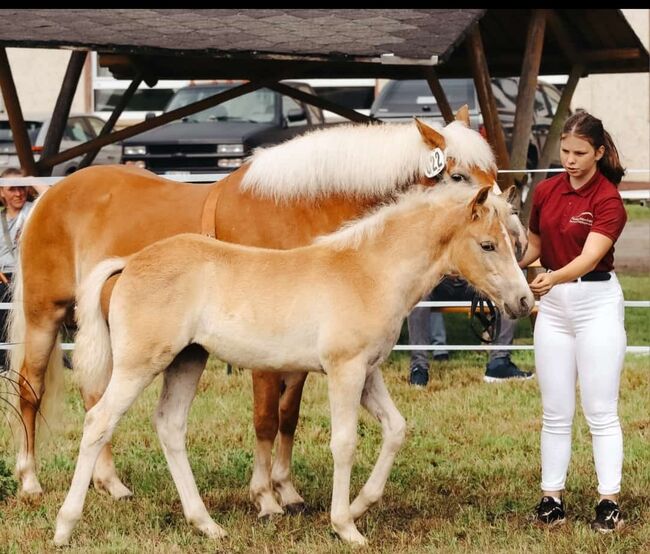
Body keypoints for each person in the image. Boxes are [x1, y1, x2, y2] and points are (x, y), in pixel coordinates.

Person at [518, 112, 627, 532]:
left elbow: (588, 258)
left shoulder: (608, 200)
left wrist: (550, 277)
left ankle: (608, 501)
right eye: (565, 151)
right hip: (555, 308)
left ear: (599, 153)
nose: (570, 159)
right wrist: (510, 268)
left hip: (595, 302)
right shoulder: (545, 190)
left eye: (580, 153)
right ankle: (551, 497)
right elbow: (535, 247)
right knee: (555, 411)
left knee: (601, 410)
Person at [407, 277, 533, 386]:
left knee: (508, 293)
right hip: (439, 281)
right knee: (417, 294)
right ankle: (419, 368)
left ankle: (499, 363)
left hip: (475, 280)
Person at [0, 168, 48, 372]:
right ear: (2, 193)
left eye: (22, 188)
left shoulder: (34, 209)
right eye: (12, 189)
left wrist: (30, 178)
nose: (18, 193)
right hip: (4, 276)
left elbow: (51, 194)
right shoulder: (1, 218)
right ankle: (5, 363)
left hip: (29, 274)